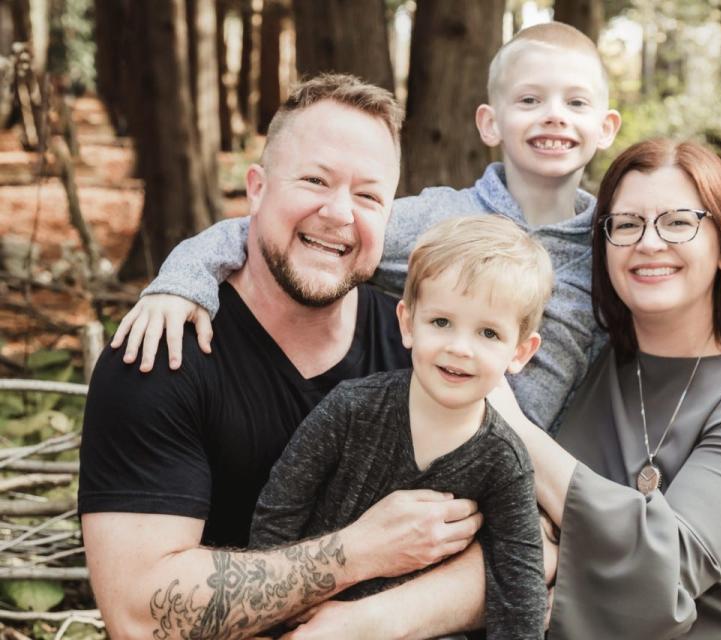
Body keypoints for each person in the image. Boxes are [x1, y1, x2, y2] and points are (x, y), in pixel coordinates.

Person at [78, 74, 484, 639]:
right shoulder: (162, 354)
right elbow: (140, 616)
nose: (340, 213)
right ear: (257, 188)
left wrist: (366, 623)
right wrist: (358, 552)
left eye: (368, 195)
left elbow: (526, 543)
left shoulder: (424, 349)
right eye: (315, 180)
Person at [112, 21, 622, 433]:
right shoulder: (439, 220)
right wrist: (182, 282)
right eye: (530, 100)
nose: (554, 117)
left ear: (605, 128)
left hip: (538, 479)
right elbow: (272, 227)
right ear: (489, 122)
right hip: (432, 456)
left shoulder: (611, 249)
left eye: (575, 103)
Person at [486, 139, 721, 638]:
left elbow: (660, 585)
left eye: (679, 222)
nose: (648, 242)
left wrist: (513, 430)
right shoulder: (594, 361)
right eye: (626, 224)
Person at [250, 215, 552, 639]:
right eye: (442, 322)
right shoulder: (352, 409)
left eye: (487, 333)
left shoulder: (504, 461)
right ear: (408, 323)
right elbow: (278, 513)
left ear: (520, 352)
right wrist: (274, 617)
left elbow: (517, 588)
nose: (459, 348)